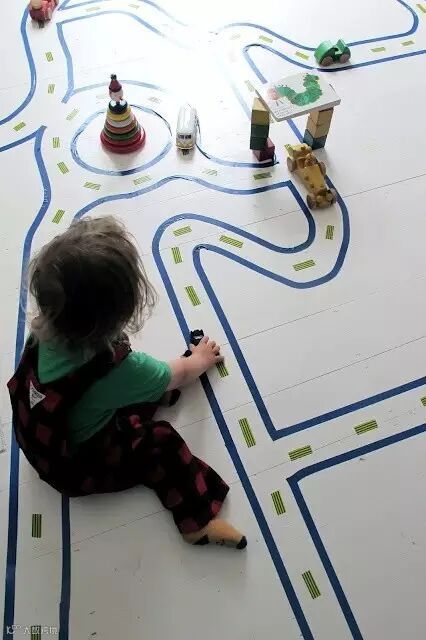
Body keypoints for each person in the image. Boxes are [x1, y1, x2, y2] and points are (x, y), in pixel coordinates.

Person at [8, 216, 246, 550]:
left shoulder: (42, 329)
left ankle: (148, 399)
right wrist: (200, 359)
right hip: (74, 466)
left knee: (126, 394)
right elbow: (178, 373)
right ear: (118, 314)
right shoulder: (120, 370)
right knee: (161, 442)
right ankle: (197, 524)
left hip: (39, 436)